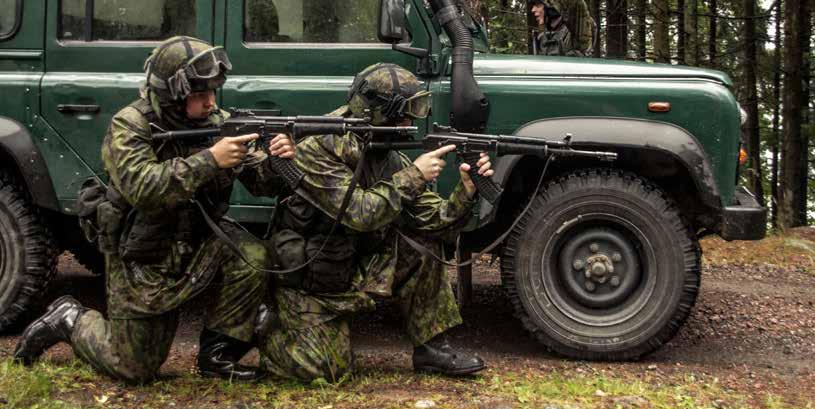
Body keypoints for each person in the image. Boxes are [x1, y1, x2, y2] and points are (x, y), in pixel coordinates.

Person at [14, 36, 296, 384]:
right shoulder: (129, 126)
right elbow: (144, 188)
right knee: (132, 367)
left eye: (213, 92)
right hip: (143, 253)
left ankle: (218, 355)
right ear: (174, 94)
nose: (211, 102)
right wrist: (210, 160)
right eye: (200, 94)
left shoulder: (214, 122)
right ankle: (69, 319)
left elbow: (260, 182)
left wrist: (276, 160)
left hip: (197, 242)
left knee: (251, 255)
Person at [257, 63, 494, 383]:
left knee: (422, 243)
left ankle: (431, 346)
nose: (412, 121)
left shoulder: (386, 151)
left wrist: (465, 192)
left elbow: (431, 219)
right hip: (313, 276)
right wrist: (415, 176)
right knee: (323, 371)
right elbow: (359, 213)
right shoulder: (320, 145)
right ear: (379, 112)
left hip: (355, 263)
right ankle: (267, 327)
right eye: (407, 111)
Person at [529, 0, 594, 57]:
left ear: (552, 7)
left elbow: (577, 4)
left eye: (538, 5)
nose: (533, 10)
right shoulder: (542, 37)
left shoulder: (575, 34)